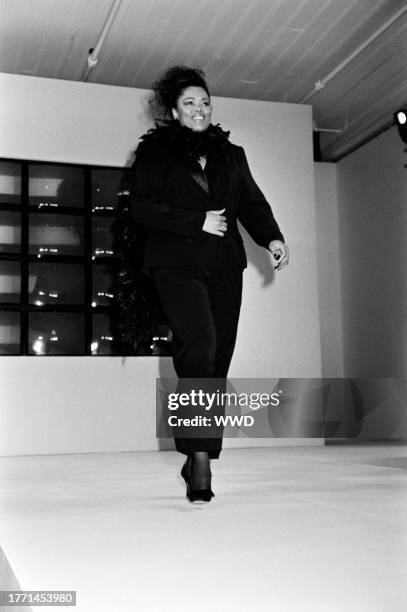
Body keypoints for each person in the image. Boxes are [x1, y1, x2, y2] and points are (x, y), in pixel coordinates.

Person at [129, 65, 289, 503]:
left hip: (223, 265)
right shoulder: (155, 154)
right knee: (198, 343)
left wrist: (272, 236)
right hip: (175, 263)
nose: (199, 109)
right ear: (174, 111)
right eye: (189, 103)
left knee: (217, 357)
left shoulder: (232, 154)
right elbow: (141, 209)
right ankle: (198, 458)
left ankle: (200, 448)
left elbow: (252, 203)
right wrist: (196, 221)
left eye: (204, 102)